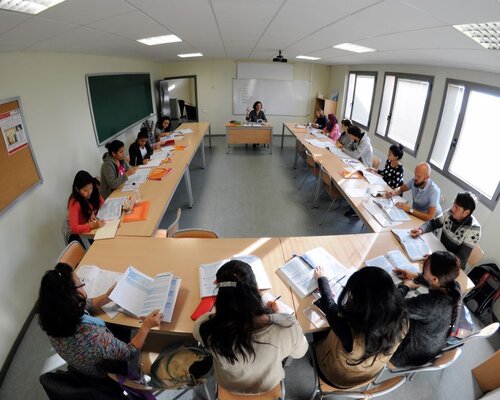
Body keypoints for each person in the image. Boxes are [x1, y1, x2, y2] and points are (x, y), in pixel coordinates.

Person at [193, 260, 308, 394]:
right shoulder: (287, 326)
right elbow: (299, 353)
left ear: (219, 290)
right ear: (256, 287)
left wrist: (223, 310)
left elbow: (197, 333)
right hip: (267, 384)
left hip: (228, 384)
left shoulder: (206, 327)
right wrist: (276, 315)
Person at [38, 262, 162, 378]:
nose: (83, 286)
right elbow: (130, 353)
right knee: (136, 329)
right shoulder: (93, 337)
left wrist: (107, 297)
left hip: (87, 359)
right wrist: (146, 327)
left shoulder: (54, 314)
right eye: (81, 284)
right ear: (71, 297)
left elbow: (86, 304)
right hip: (109, 369)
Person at [313, 266, 407, 388]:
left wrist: (321, 278)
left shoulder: (349, 331)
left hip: (335, 377)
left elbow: (329, 305)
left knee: (316, 332)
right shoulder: (403, 320)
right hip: (366, 376)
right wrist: (405, 287)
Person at [391, 251, 461, 367]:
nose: (424, 265)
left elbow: (394, 305)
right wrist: (416, 276)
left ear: (435, 279)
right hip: (431, 345)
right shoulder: (454, 286)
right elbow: (435, 281)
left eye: (427, 267)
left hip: (407, 354)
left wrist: (405, 286)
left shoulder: (429, 304)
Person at [411, 192, 481, 268]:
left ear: (466, 212)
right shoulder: (450, 213)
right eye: (453, 204)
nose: (452, 209)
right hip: (439, 252)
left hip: (451, 265)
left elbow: (460, 259)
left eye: (456, 207)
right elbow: (433, 223)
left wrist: (437, 258)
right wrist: (421, 230)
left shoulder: (474, 230)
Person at [68, 171, 105, 242]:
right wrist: (92, 225)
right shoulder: (74, 202)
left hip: (95, 227)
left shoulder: (93, 191)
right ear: (77, 189)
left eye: (91, 188)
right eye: (85, 190)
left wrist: (93, 212)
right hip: (83, 235)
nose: (89, 192)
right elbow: (74, 228)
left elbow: (102, 203)